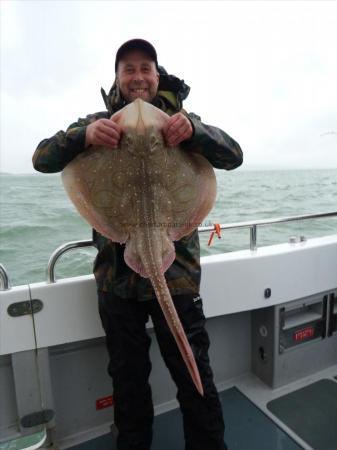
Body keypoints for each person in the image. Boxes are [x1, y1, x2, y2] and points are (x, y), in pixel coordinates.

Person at [33, 39, 243, 450]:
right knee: (127, 385)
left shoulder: (182, 120)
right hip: (117, 283)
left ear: (157, 75)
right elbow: (42, 158)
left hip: (177, 277)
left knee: (193, 373)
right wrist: (84, 136)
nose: (138, 76)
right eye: (128, 69)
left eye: (145, 67)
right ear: (117, 78)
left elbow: (233, 155)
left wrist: (194, 131)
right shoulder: (97, 123)